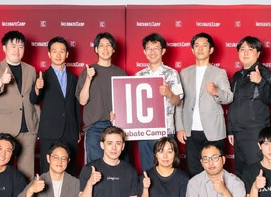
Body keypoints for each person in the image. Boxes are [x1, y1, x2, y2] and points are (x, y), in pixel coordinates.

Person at [175, 33, 233, 177]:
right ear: (192, 50)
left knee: (215, 171)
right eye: (197, 46)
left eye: (204, 45)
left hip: (213, 130)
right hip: (191, 130)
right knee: (194, 171)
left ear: (211, 50)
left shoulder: (219, 72)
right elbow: (179, 101)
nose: (200, 49)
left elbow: (228, 97)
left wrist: (216, 91)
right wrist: (180, 127)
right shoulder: (184, 73)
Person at [0, 31, 39, 180]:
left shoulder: (31, 70)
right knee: (2, 170)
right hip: (6, 128)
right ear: (4, 48)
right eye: (13, 46)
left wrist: (37, 122)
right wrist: (1, 81)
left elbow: (34, 99)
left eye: (21, 47)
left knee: (27, 173)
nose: (17, 50)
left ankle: (26, 196)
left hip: (28, 128)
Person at [30, 36, 81, 175]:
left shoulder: (73, 78)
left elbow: (76, 105)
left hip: (70, 131)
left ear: (67, 54)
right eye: (54, 51)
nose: (58, 55)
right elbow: (33, 99)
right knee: (47, 171)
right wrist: (37, 88)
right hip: (49, 131)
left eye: (62, 51)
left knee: (70, 170)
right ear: (49, 54)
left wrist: (77, 129)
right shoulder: (43, 76)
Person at [227, 36, 271, 176]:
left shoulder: (264, 73)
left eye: (250, 49)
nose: (245, 52)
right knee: (241, 171)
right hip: (238, 131)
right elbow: (232, 104)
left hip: (255, 131)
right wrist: (230, 130)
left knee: (256, 171)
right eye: (242, 49)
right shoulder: (237, 76)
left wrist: (260, 81)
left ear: (258, 53)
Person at [134, 33, 183, 171]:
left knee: (167, 169)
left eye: (156, 48)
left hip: (165, 130)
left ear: (163, 51)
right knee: (147, 170)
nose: (152, 52)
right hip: (144, 131)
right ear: (144, 51)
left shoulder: (172, 74)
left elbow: (177, 101)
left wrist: (169, 93)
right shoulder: (138, 76)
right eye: (149, 48)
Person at [76, 32, 127, 163]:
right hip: (94, 127)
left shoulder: (121, 73)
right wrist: (88, 78)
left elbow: (126, 103)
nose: (105, 49)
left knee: (116, 167)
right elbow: (82, 100)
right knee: (95, 167)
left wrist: (118, 114)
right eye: (101, 45)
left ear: (113, 49)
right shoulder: (88, 71)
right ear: (96, 49)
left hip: (115, 126)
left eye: (108, 45)